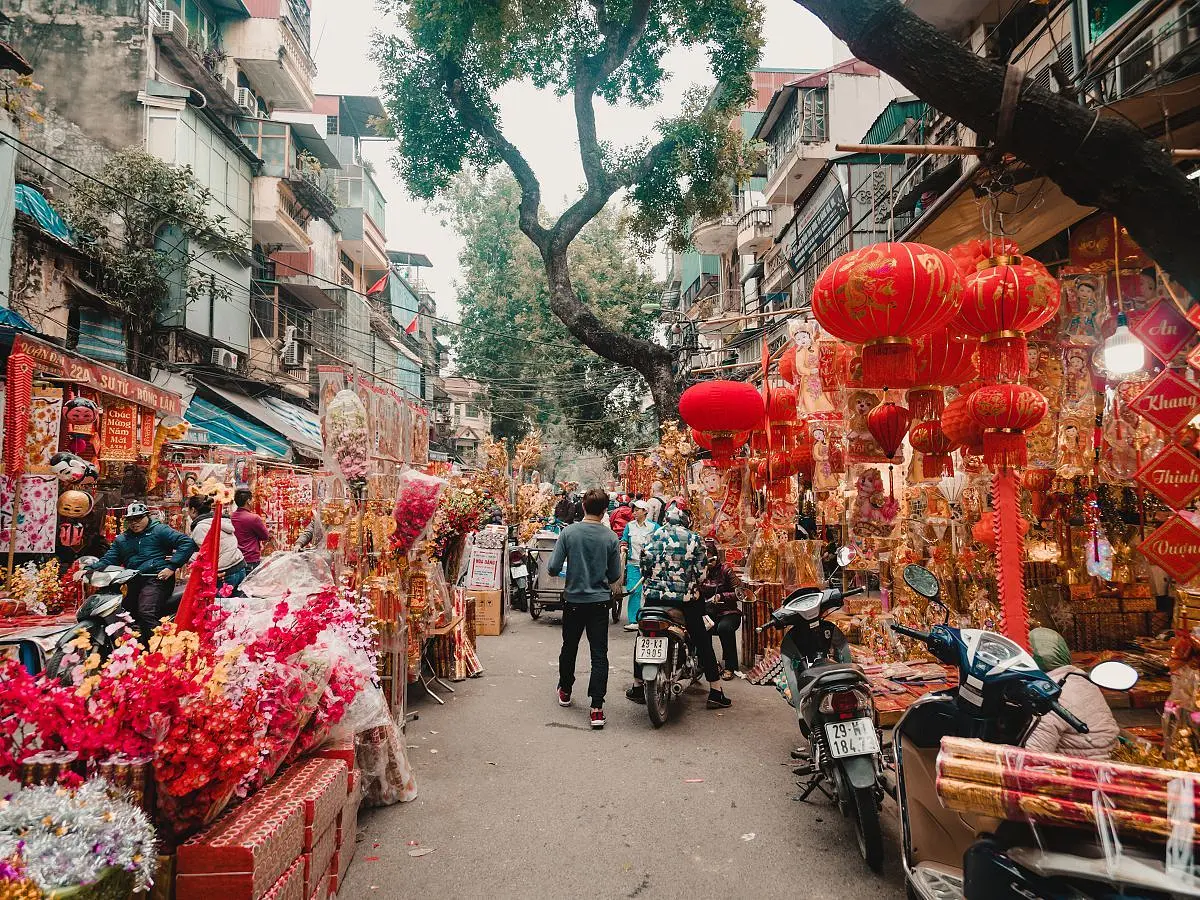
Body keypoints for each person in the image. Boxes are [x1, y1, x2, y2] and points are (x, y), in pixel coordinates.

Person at [626, 507, 730, 709]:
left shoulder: (651, 536)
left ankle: (638, 685)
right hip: (686, 601)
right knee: (702, 638)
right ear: (686, 521)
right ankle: (716, 691)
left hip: (654, 600)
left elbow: (643, 568)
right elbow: (701, 575)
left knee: (642, 636)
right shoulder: (694, 539)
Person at [549, 488, 623, 730]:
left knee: (569, 647)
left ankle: (566, 690)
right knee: (599, 654)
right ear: (604, 511)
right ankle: (597, 708)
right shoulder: (611, 538)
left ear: (582, 506)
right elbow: (614, 575)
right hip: (600, 603)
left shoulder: (569, 533)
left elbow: (552, 567)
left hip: (573, 601)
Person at [88, 502, 198, 643]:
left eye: (138, 518)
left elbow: (187, 543)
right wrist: (88, 569)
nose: (134, 523)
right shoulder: (122, 540)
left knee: (146, 612)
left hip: (156, 579)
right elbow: (109, 559)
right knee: (124, 614)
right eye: (131, 520)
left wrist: (172, 567)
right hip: (132, 581)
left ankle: (161, 649)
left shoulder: (160, 530)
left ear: (147, 516)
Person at [1025, 627, 1120, 759]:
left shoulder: (1046, 694)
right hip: (1109, 760)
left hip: (1083, 771)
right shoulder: (1081, 679)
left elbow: (1033, 757)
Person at [697, 538, 742, 679]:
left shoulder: (726, 570)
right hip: (708, 612)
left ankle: (730, 666)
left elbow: (739, 592)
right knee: (699, 627)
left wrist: (722, 596)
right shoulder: (700, 571)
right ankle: (707, 663)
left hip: (728, 612)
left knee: (725, 628)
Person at [186, 495, 248, 593]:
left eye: (188, 509)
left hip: (225, 572)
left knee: (220, 606)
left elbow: (206, 555)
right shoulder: (222, 520)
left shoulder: (200, 527)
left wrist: (188, 558)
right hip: (239, 566)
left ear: (193, 510)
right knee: (235, 605)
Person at [620, 500, 659, 631]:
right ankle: (634, 620)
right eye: (634, 510)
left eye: (638, 510)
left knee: (650, 592)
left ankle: (650, 618)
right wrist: (623, 547)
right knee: (634, 590)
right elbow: (624, 540)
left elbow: (660, 543)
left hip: (650, 566)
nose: (634, 512)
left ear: (645, 511)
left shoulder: (654, 527)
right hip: (633, 563)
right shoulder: (629, 526)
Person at [230, 488, 270, 570]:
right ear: (248, 501)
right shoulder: (254, 518)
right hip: (250, 559)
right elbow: (265, 536)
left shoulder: (231, 517)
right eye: (252, 500)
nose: (253, 502)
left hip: (236, 558)